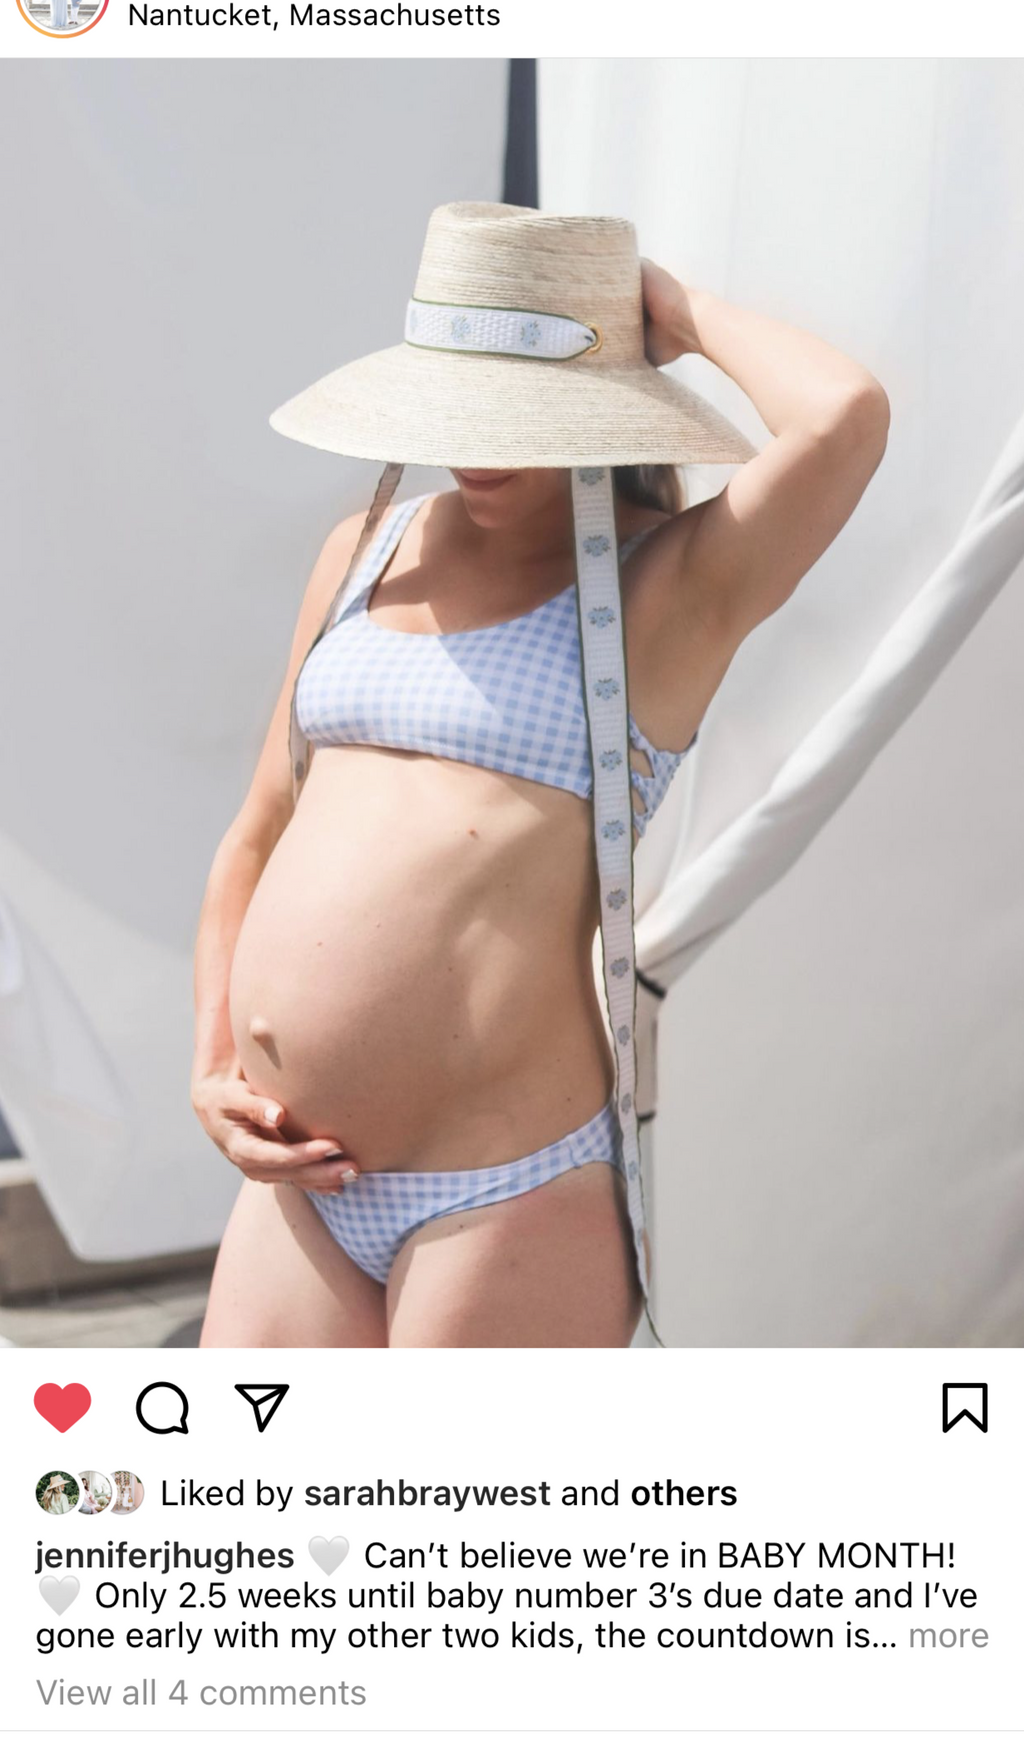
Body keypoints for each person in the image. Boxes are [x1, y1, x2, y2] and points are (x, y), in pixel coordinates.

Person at [193, 201, 888, 1350]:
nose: (477, 446)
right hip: (296, 1172)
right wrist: (212, 1062)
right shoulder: (363, 547)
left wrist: (669, 313)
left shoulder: (665, 589)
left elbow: (843, 417)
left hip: (504, 1192)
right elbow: (257, 831)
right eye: (458, 402)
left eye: (514, 410)